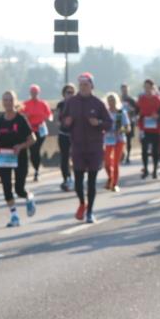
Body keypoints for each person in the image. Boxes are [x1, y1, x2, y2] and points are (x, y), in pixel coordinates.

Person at [63, 73, 113, 223]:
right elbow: (62, 120)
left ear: (92, 86)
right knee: (78, 181)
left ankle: (90, 211)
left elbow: (109, 123)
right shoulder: (72, 102)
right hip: (77, 146)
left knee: (91, 181)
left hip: (94, 147)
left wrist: (98, 123)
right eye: (81, 85)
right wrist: (67, 122)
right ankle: (82, 203)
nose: (83, 87)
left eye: (86, 84)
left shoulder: (98, 103)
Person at [0, 90, 35, 227]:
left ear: (15, 102)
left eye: (10, 100)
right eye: (5, 100)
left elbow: (32, 139)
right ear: (2, 102)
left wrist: (21, 146)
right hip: (4, 157)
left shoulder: (21, 119)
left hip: (19, 156)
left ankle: (29, 197)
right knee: (6, 187)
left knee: (19, 189)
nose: (8, 102)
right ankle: (14, 216)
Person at [20, 84, 52, 182]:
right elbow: (20, 115)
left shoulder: (43, 104)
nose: (34, 94)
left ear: (38, 93)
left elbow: (49, 115)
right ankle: (36, 169)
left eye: (36, 92)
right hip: (30, 130)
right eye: (32, 92)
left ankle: (36, 170)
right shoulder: (25, 104)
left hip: (40, 129)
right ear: (30, 93)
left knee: (36, 149)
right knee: (33, 150)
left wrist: (47, 118)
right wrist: (26, 115)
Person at [136, 79, 160, 179]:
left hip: (155, 128)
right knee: (144, 149)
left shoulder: (158, 99)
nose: (147, 89)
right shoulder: (141, 99)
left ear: (153, 88)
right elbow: (137, 111)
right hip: (144, 128)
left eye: (149, 87)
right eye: (145, 87)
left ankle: (155, 170)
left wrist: (157, 116)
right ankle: (145, 169)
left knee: (155, 151)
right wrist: (139, 119)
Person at [103, 92, 130, 192]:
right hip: (108, 140)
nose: (111, 103)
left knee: (115, 163)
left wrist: (120, 130)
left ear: (116, 101)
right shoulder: (105, 113)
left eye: (113, 100)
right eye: (109, 101)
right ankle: (110, 178)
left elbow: (128, 128)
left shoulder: (121, 112)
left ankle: (114, 184)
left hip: (119, 140)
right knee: (106, 162)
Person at [55, 84, 76, 191]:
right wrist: (62, 123)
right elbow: (57, 120)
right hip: (63, 134)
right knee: (64, 158)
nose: (71, 94)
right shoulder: (60, 105)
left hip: (75, 135)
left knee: (76, 157)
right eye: (68, 92)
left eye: (72, 92)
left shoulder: (78, 104)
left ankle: (77, 177)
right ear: (64, 94)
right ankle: (66, 178)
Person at [120, 83, 138, 164]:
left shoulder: (131, 100)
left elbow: (137, 110)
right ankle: (122, 155)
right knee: (122, 138)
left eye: (125, 89)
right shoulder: (119, 99)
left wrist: (132, 112)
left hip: (129, 122)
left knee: (128, 139)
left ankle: (128, 156)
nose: (124, 91)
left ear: (128, 90)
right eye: (123, 89)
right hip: (121, 123)